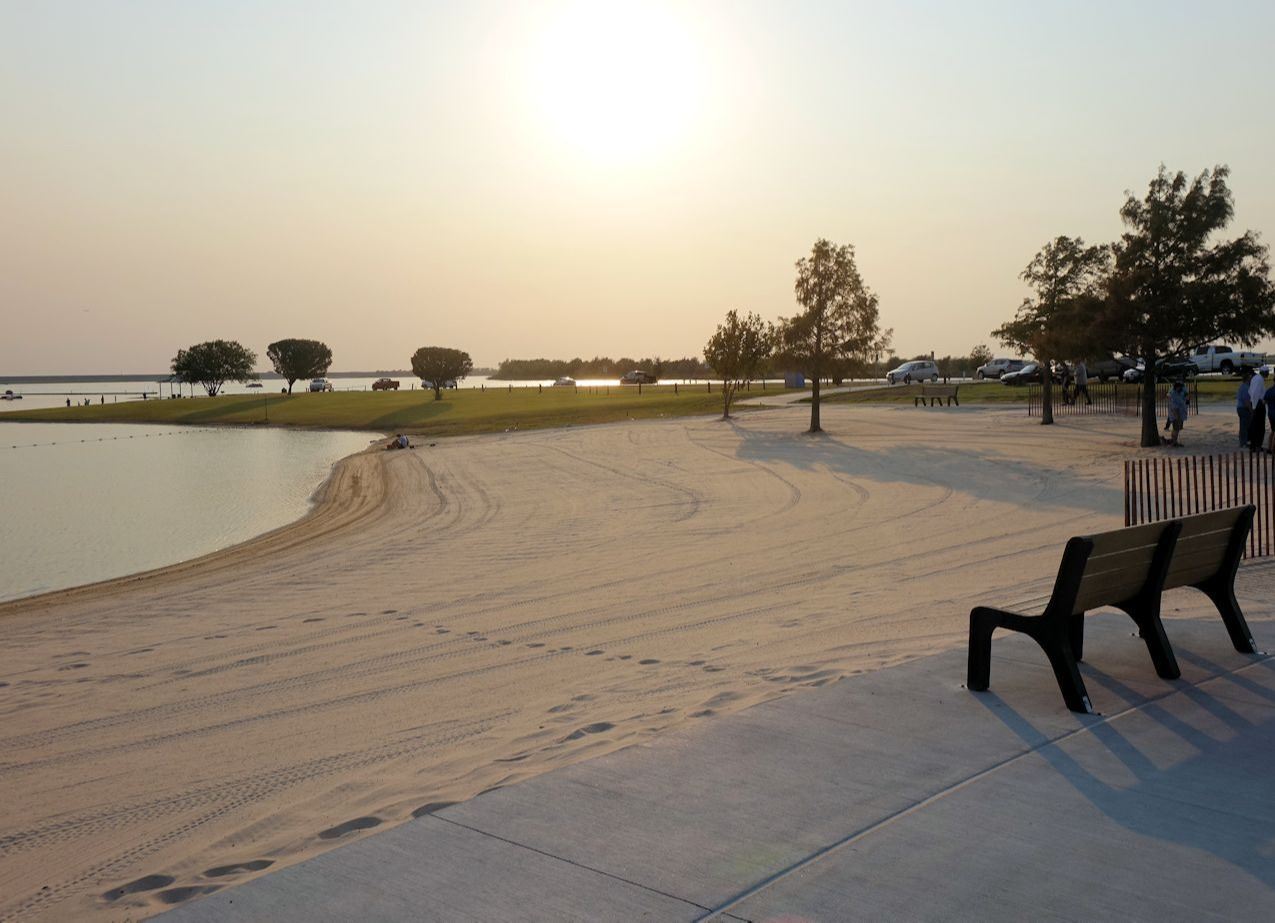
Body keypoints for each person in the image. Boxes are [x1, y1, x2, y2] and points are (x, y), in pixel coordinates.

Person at [1249, 368, 1268, 452]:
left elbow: (1250, 391)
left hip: (1255, 403)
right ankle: (1258, 446)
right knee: (1260, 427)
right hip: (1258, 404)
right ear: (1265, 373)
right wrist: (1255, 405)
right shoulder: (1260, 379)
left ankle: (1253, 445)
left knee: (1255, 425)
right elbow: (1255, 393)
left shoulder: (1255, 378)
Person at [1165, 380, 1188, 447]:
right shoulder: (1173, 394)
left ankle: (1175, 441)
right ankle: (1173, 442)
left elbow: (1184, 398)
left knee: (1177, 428)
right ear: (1176, 387)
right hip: (1175, 413)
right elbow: (1174, 406)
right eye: (1180, 387)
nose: (1181, 389)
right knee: (1175, 428)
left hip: (1180, 412)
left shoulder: (1180, 392)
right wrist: (1177, 415)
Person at [1237, 368, 1254, 447]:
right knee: (1244, 426)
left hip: (1240, 408)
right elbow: (1246, 401)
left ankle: (1243, 441)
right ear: (1248, 379)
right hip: (1243, 409)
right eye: (1250, 378)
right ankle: (1243, 442)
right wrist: (1251, 411)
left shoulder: (1242, 386)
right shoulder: (1246, 388)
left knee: (1243, 425)